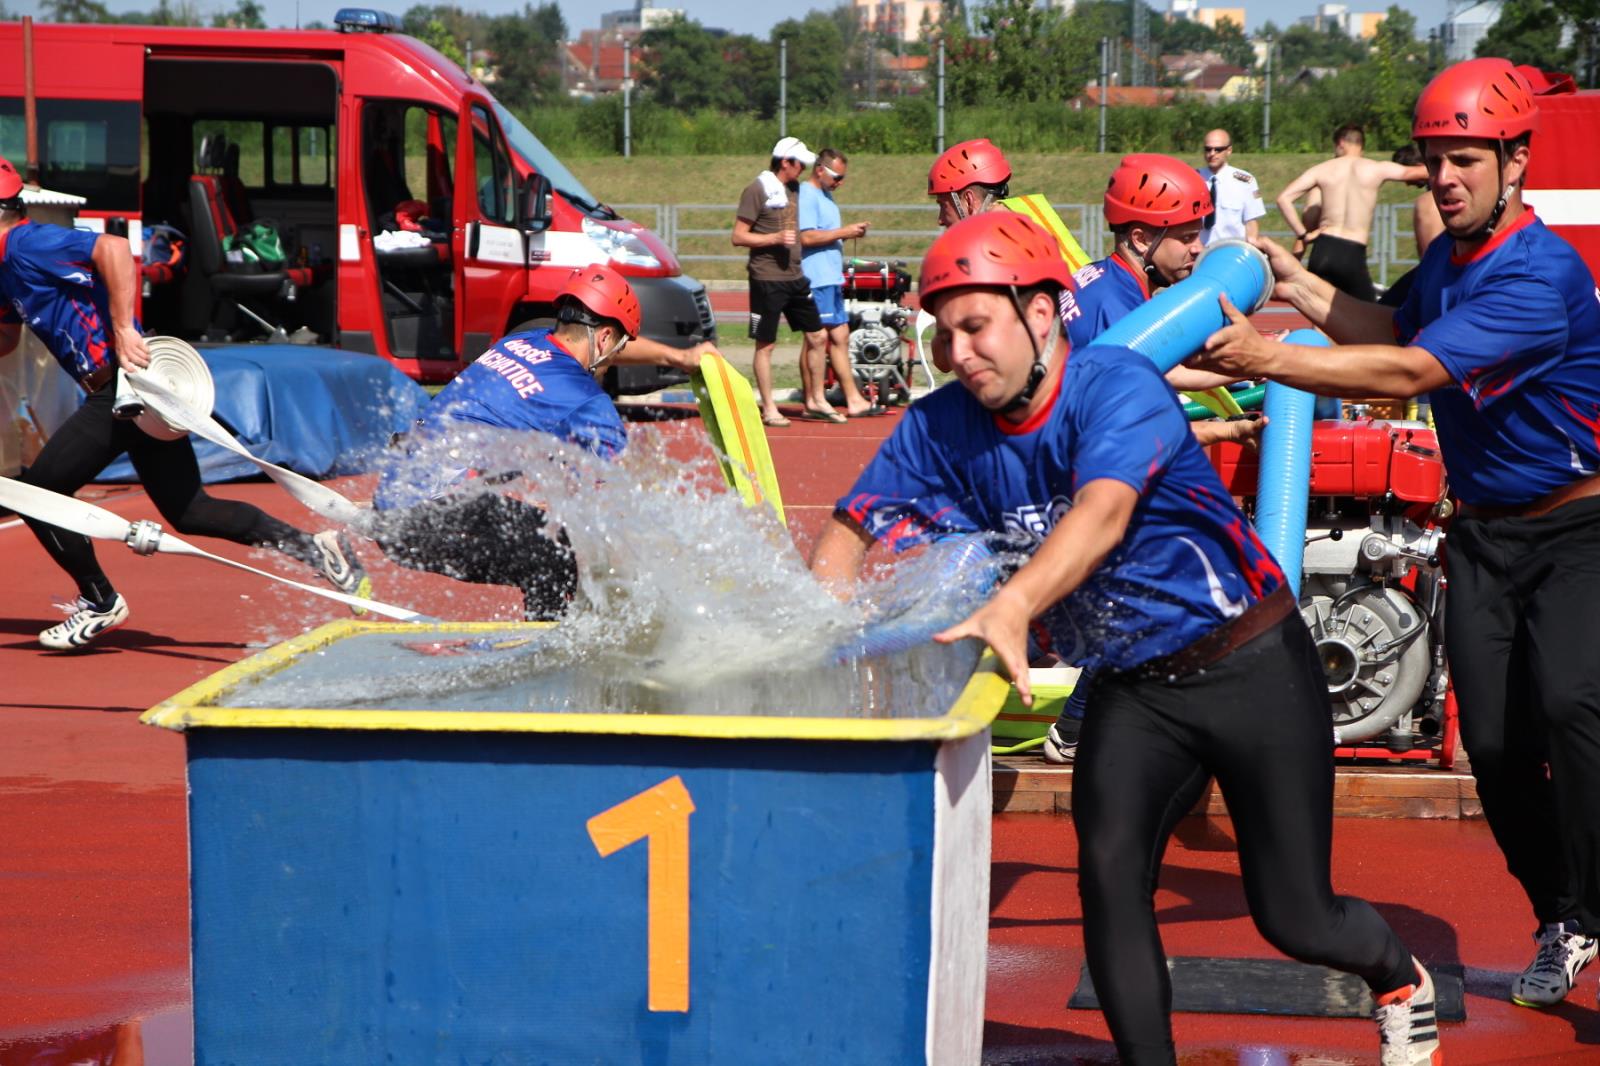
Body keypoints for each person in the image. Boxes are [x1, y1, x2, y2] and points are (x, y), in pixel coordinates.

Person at [810, 210, 1440, 1066]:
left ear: (1040, 314)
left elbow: (1100, 515)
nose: (958, 354)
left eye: (976, 327)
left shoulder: (1115, 386)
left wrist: (1011, 604)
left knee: (1293, 913)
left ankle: (1401, 982)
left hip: (1249, 661)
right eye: (942, 335)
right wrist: (820, 644)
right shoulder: (939, 426)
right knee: (1108, 874)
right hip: (1135, 687)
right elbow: (850, 532)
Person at [1195, 56, 1600, 1013]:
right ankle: (1567, 916)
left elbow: (1410, 373)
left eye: (1466, 159)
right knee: (1494, 750)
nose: (1446, 178)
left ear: (1516, 164)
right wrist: (1294, 284)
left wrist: (1265, 358)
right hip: (1486, 537)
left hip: (1577, 527)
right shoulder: (1452, 265)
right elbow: (1382, 322)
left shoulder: (1538, 275)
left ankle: (1591, 896)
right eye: (1431, 161)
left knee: (1577, 711)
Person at [0, 157, 368, 650]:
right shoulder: (5, 265)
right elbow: (6, 337)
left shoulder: (26, 243)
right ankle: (319, 550)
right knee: (192, 510)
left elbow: (110, 247)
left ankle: (100, 600)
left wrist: (125, 326)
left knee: (40, 494)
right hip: (137, 395)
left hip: (123, 389)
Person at [1044, 152, 1261, 764]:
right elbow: (1146, 391)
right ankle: (1079, 726)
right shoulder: (1121, 302)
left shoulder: (1108, 283)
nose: (1197, 250)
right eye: (1188, 237)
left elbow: (1159, 368)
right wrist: (1227, 419)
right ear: (1141, 236)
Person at [370, 266, 641, 620]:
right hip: (424, 523)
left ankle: (546, 633)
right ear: (604, 338)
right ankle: (546, 654)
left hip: (392, 500)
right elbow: (613, 493)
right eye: (617, 349)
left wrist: (677, 358)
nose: (613, 361)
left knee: (541, 533)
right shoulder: (587, 402)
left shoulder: (520, 342)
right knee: (554, 552)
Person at [731, 137, 830, 427]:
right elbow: (738, 236)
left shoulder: (795, 188)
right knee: (766, 344)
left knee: (818, 336)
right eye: (799, 163)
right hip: (766, 278)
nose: (802, 168)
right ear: (785, 162)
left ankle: (816, 399)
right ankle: (769, 407)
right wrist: (773, 238)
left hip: (795, 276)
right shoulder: (756, 189)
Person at [1276, 124, 1427, 301]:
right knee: (1369, 316)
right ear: (1361, 145)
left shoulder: (1322, 169)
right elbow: (1419, 171)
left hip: (1322, 250)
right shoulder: (1376, 168)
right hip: (1351, 252)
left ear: (1340, 144)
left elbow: (1283, 199)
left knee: (1321, 319)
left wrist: (1302, 235)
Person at [798, 148, 885, 419]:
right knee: (815, 340)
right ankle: (813, 399)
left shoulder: (827, 197)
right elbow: (807, 237)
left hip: (830, 278)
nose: (840, 182)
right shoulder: (807, 195)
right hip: (815, 278)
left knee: (840, 336)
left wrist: (846, 235)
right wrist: (843, 232)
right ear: (820, 169)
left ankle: (853, 398)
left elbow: (825, 235)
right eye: (837, 177)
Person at [1197, 128, 1265, 246]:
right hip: (1200, 252)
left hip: (1232, 251)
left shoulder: (1245, 181)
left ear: (1229, 150)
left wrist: (1250, 249)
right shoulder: (1193, 179)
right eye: (1208, 149)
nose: (1212, 153)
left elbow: (1251, 222)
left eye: (1218, 150)